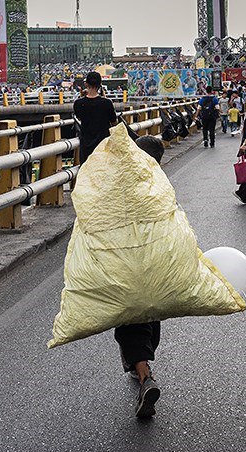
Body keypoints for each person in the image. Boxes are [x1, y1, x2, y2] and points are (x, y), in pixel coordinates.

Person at [115, 135, 165, 419]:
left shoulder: (119, 183)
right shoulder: (160, 186)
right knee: (149, 314)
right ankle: (142, 367)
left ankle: (144, 374)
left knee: (129, 320)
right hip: (153, 265)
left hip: (126, 264)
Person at [74, 72, 118, 164]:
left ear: (86, 84)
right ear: (100, 84)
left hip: (86, 146)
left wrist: (82, 96)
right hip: (103, 146)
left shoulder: (78, 103)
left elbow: (79, 117)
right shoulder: (107, 103)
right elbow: (114, 122)